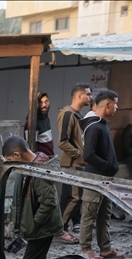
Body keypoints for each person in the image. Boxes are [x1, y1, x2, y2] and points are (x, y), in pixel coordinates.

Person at [2, 135, 62, 259]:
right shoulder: (32, 165)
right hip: (41, 226)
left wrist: (34, 224)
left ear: (17, 154)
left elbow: (49, 202)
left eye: (11, 160)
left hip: (42, 228)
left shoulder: (39, 171)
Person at [78, 89, 123, 259]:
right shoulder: (94, 126)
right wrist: (107, 166)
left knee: (104, 215)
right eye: (115, 104)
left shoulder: (102, 124)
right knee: (89, 215)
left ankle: (105, 248)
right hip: (95, 178)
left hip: (105, 179)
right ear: (107, 105)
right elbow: (88, 155)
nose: (117, 108)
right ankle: (86, 249)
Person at [57, 83, 92, 232]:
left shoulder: (77, 114)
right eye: (88, 94)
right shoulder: (68, 114)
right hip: (72, 163)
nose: (90, 97)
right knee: (74, 197)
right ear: (79, 96)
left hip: (78, 163)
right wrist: (79, 155)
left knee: (71, 197)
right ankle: (60, 229)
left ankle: (63, 226)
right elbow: (62, 142)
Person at [33, 92, 55, 157]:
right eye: (41, 102)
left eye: (46, 101)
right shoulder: (33, 122)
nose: (44, 105)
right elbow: (31, 149)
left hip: (49, 158)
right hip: (41, 161)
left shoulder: (46, 118)